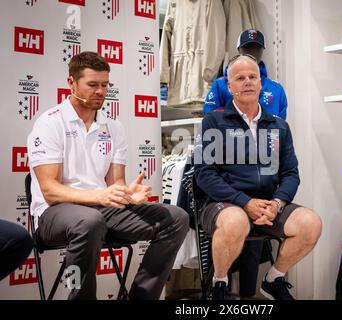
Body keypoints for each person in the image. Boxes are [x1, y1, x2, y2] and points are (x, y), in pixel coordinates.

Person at [26, 51, 189, 300]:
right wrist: (100, 195)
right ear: (71, 82)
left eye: (104, 85)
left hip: (100, 210)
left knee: (176, 218)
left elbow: (115, 185)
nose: (100, 92)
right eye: (92, 85)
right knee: (88, 221)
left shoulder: (114, 127)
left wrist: (128, 196)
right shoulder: (50, 123)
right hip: (54, 213)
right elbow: (50, 190)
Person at [194, 55, 322, 300]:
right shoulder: (213, 121)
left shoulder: (279, 126)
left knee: (311, 223)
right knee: (235, 222)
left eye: (253, 77)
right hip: (225, 204)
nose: (248, 82)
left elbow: (291, 174)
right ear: (229, 86)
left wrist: (276, 203)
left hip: (269, 206)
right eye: (240, 78)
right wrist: (244, 202)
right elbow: (205, 174)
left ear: (261, 83)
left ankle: (274, 279)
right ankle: (219, 284)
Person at [203, 29, 288, 120]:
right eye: (247, 48)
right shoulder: (220, 86)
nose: (252, 52)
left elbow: (280, 127)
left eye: (256, 48)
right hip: (232, 133)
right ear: (239, 50)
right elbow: (210, 119)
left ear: (263, 51)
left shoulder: (276, 89)